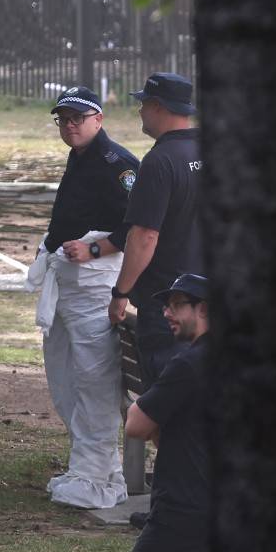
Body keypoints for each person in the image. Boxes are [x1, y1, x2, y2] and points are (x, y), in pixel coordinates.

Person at [25, 86, 139, 509]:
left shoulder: (118, 164)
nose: (70, 126)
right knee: (66, 375)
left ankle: (94, 475)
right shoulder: (81, 158)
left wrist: (95, 249)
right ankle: (94, 467)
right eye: (63, 120)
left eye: (78, 118)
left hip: (95, 283)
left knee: (94, 379)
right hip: (69, 283)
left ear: (99, 119)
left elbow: (138, 227)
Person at [112, 273, 212, 552]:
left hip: (183, 510)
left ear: (205, 309)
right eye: (166, 305)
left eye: (177, 305)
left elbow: (136, 425)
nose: (167, 313)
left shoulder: (187, 364)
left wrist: (158, 421)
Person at [109, 72, 203, 389]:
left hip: (168, 303)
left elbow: (144, 237)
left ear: (159, 106)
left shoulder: (160, 161)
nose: (140, 111)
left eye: (144, 104)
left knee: (165, 403)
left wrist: (120, 293)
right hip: (210, 301)